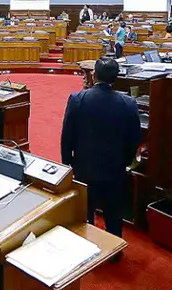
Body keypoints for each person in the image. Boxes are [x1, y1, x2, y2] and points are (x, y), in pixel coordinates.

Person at [60, 57, 141, 241]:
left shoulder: (77, 99)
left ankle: (85, 246)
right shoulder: (129, 103)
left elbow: (67, 136)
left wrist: (67, 164)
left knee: (85, 213)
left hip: (84, 168)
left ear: (94, 75)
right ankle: (114, 250)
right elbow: (134, 138)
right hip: (115, 169)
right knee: (114, 213)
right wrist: (126, 161)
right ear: (116, 78)